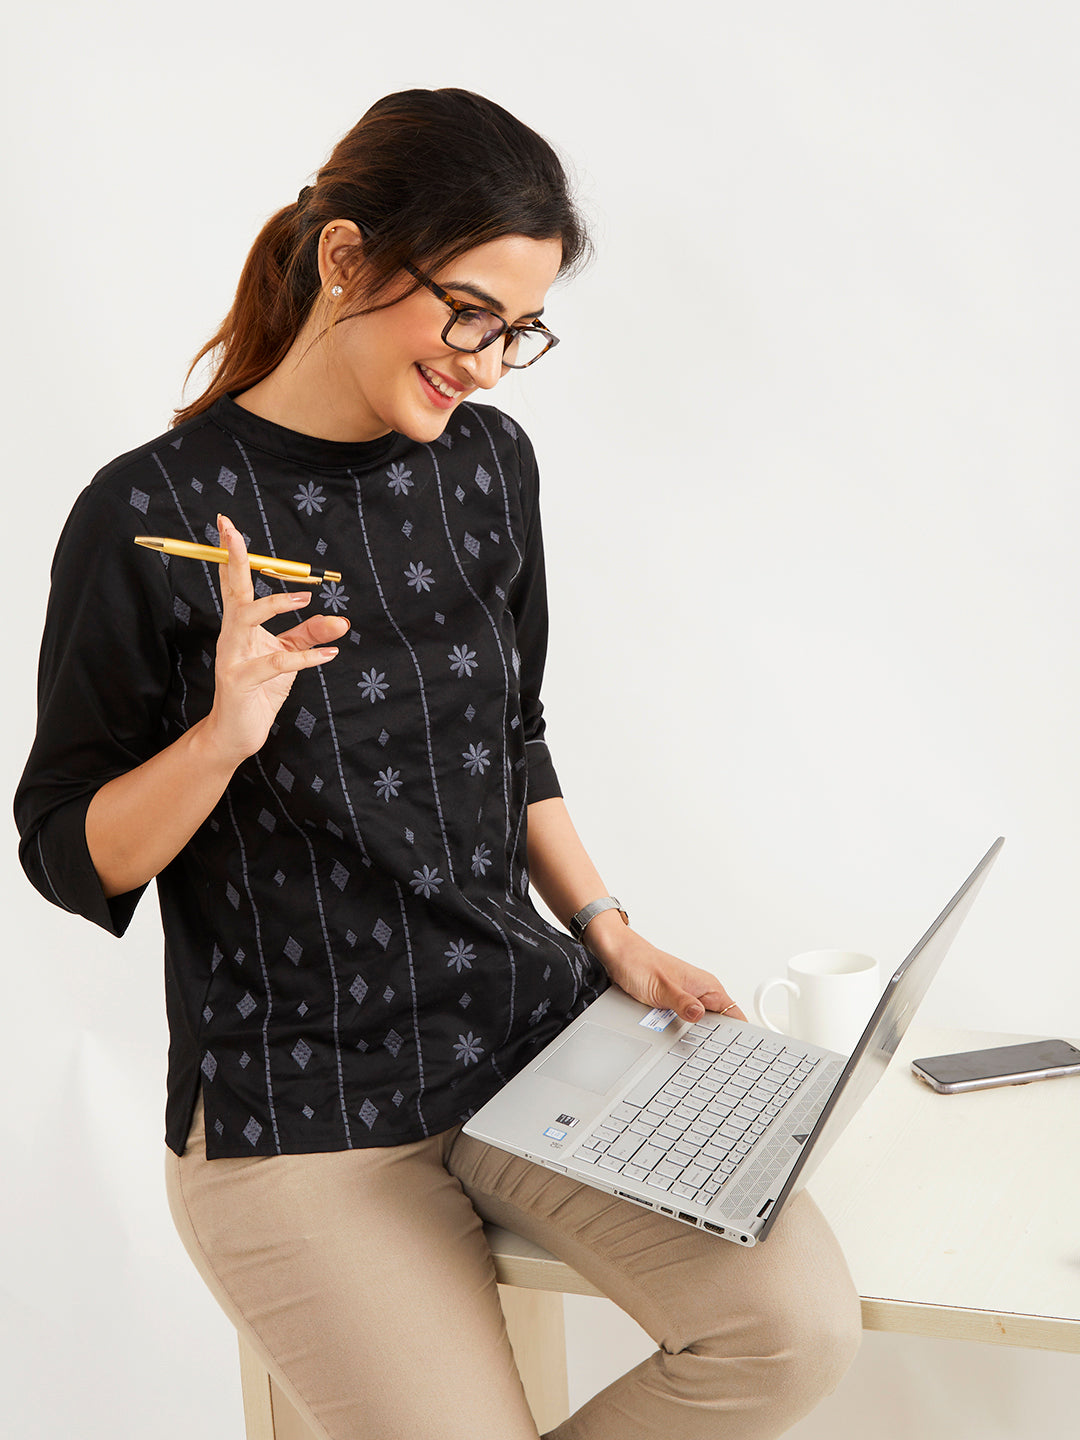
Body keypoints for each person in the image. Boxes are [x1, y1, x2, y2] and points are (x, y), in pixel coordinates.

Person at [15, 88, 861, 1440]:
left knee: (794, 1329)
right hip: (302, 1110)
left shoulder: (487, 467)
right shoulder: (149, 515)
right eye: (468, 313)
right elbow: (67, 851)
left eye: (519, 329)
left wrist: (609, 927)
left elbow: (510, 734)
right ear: (346, 257)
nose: (488, 362)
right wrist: (223, 735)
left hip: (527, 1039)